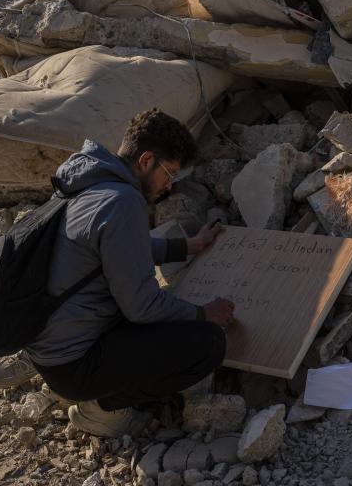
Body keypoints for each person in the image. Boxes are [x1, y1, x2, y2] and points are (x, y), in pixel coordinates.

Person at [25, 108, 235, 437]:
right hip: (73, 364)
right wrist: (203, 313)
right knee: (207, 344)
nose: (168, 185)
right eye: (170, 174)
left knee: (166, 312)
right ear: (146, 160)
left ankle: (84, 387)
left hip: (51, 352)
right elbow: (142, 307)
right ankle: (101, 407)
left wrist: (188, 246)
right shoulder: (124, 202)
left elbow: (123, 248)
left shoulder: (90, 183)